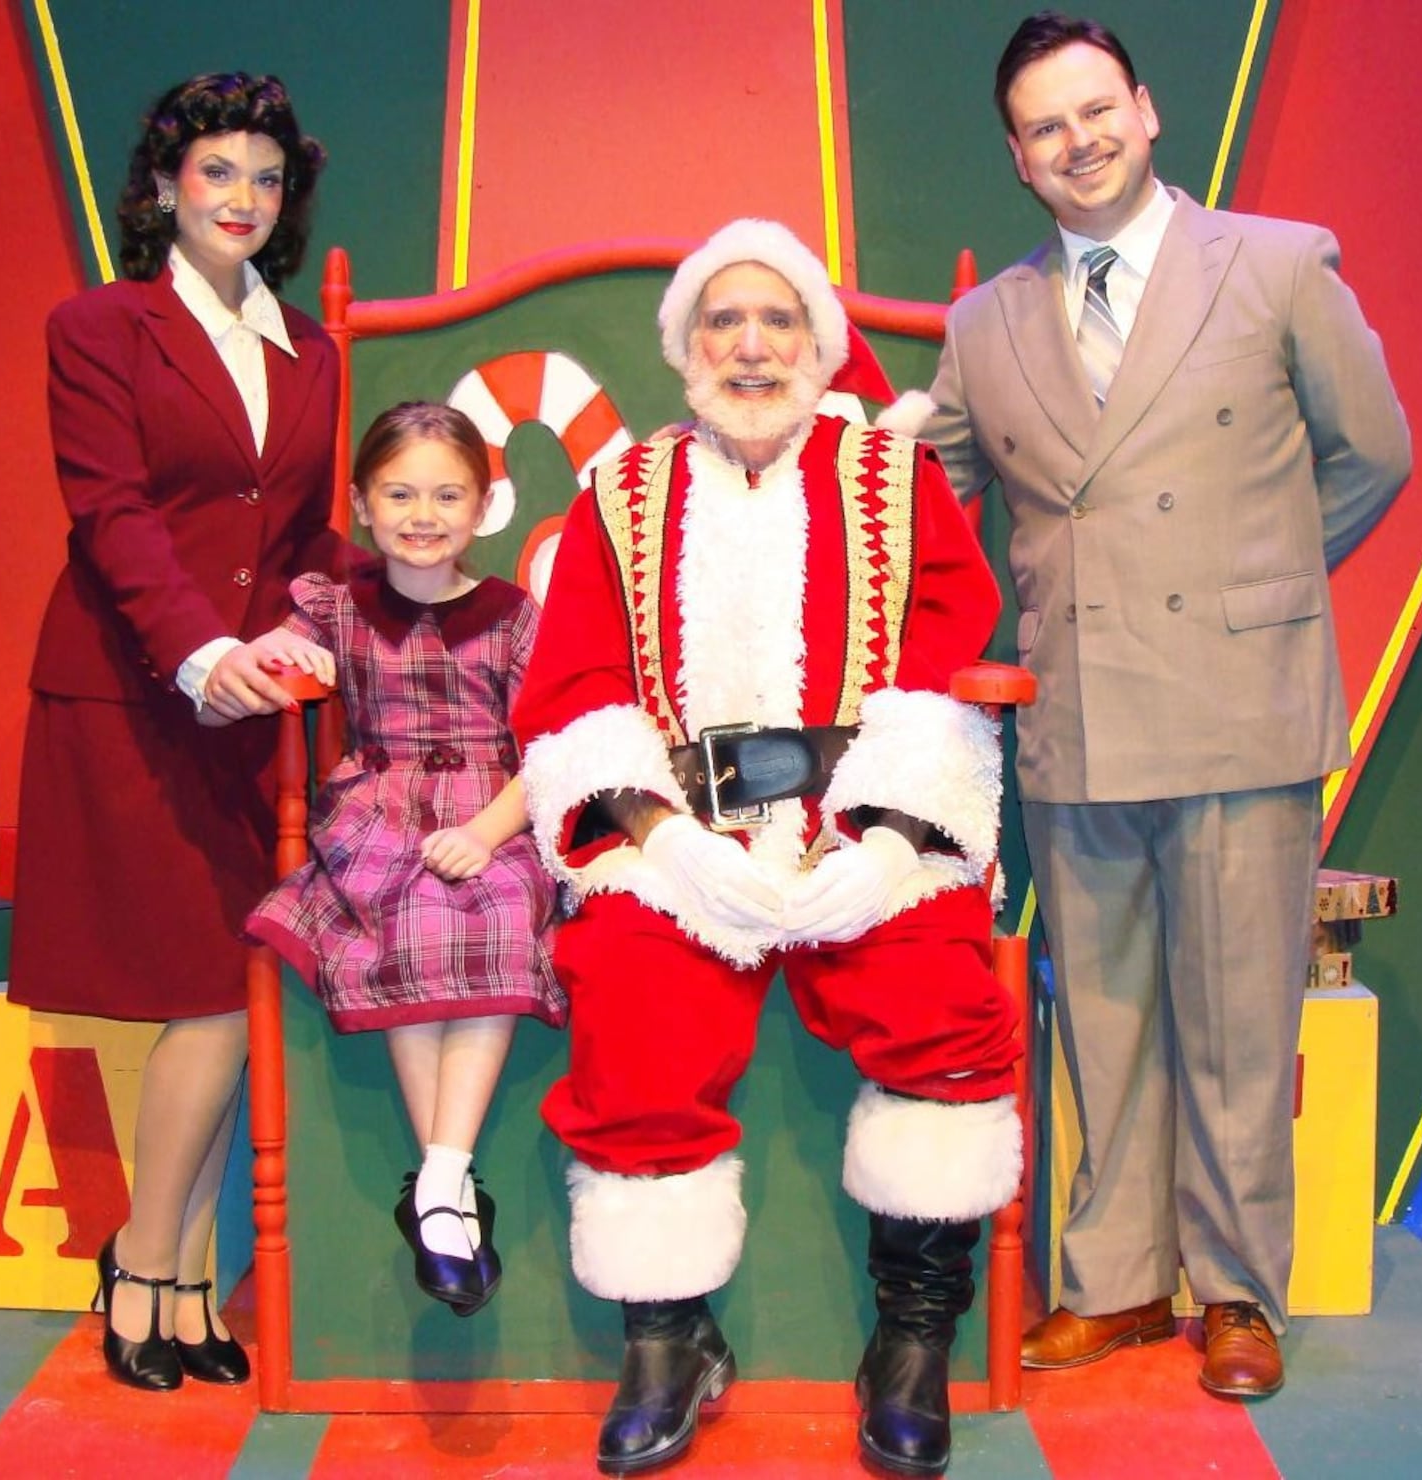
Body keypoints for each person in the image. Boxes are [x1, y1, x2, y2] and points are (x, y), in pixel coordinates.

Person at [922, 11, 1411, 1400]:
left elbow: (1373, 451)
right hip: (1078, 717)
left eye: (1093, 111)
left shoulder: (1275, 262)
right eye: (1041, 128)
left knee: (1244, 1018)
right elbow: (928, 510)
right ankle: (1116, 1283)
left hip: (1238, 703)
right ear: (1017, 161)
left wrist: (1257, 577)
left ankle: (1238, 1288)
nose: (1074, 142)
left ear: (1145, 112)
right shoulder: (986, 323)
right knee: (1108, 1015)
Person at [513, 218, 1023, 1478]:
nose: (750, 345)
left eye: (776, 319)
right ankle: (666, 1338)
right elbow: (574, 687)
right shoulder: (619, 494)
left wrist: (895, 837)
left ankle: (910, 1340)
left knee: (940, 997)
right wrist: (658, 835)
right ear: (686, 351)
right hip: (680, 834)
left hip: (872, 819)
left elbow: (950, 651)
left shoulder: (895, 481)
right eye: (722, 323)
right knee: (630, 995)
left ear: (819, 342)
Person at [8, 73, 345, 1392]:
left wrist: (325, 620)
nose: (243, 200)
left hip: (262, 711)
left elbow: (304, 525)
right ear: (163, 189)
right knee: (206, 992)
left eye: (266, 178)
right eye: (217, 173)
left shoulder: (308, 349)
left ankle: (185, 1277)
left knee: (238, 988)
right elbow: (113, 513)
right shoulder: (97, 325)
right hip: (139, 694)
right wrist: (205, 653)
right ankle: (148, 1261)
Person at [240, 401, 566, 1317]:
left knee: (498, 911)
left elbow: (547, 752)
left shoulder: (512, 617)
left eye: (448, 495)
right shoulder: (338, 610)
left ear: (484, 506)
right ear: (362, 504)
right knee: (408, 918)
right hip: (378, 810)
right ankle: (449, 1196)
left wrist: (488, 834)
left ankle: (439, 1181)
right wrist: (269, 651)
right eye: (399, 494)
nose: (424, 515)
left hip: (494, 809)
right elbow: (279, 653)